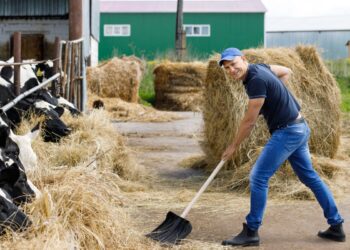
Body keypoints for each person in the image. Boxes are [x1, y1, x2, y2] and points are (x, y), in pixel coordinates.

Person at [218, 48, 346, 247]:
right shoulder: (261, 68)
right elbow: (286, 71)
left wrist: (233, 146)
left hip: (288, 132)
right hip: (299, 127)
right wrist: (277, 99)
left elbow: (249, 121)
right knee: (309, 177)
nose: (231, 70)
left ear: (243, 59)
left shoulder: (255, 80)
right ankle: (336, 225)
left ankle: (251, 231)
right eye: (227, 68)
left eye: (234, 64)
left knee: (258, 177)